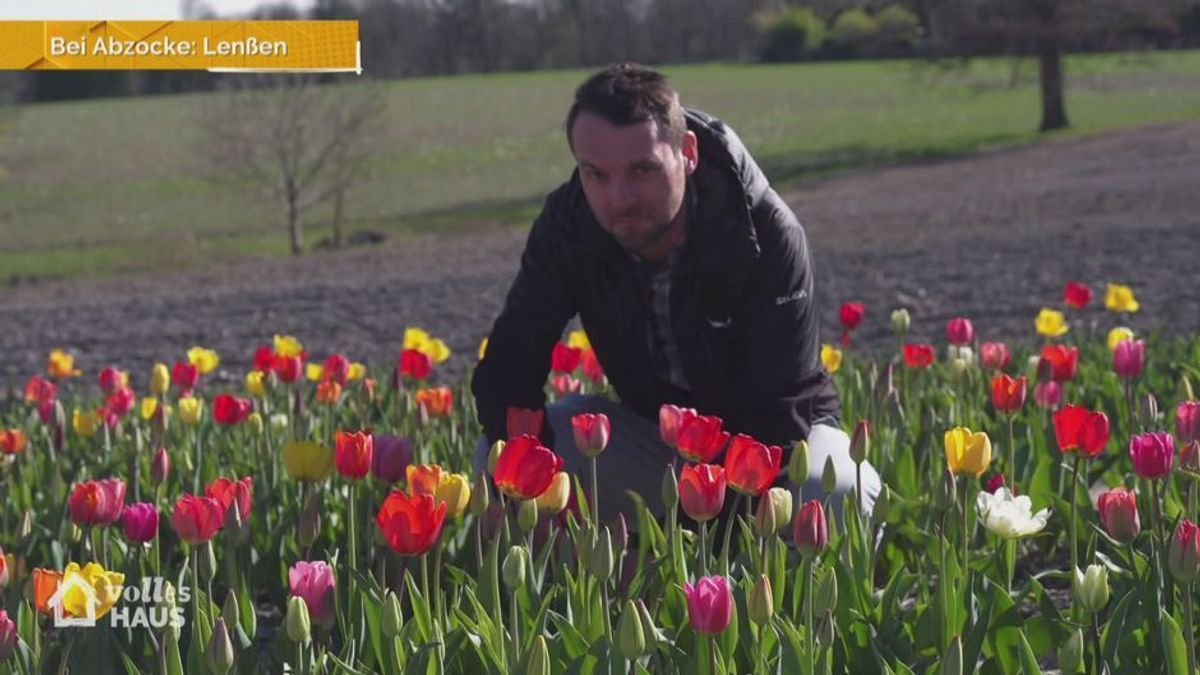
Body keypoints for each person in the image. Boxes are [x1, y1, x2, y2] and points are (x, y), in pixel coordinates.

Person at [472, 62, 879, 522]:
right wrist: (517, 494)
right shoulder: (569, 227)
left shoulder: (761, 231)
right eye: (596, 175)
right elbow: (510, 365)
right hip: (658, 437)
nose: (618, 197)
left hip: (777, 442)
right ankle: (605, 587)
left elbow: (780, 409)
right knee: (501, 453)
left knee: (838, 489)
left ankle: (782, 590)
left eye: (641, 170)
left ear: (687, 152)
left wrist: (716, 551)